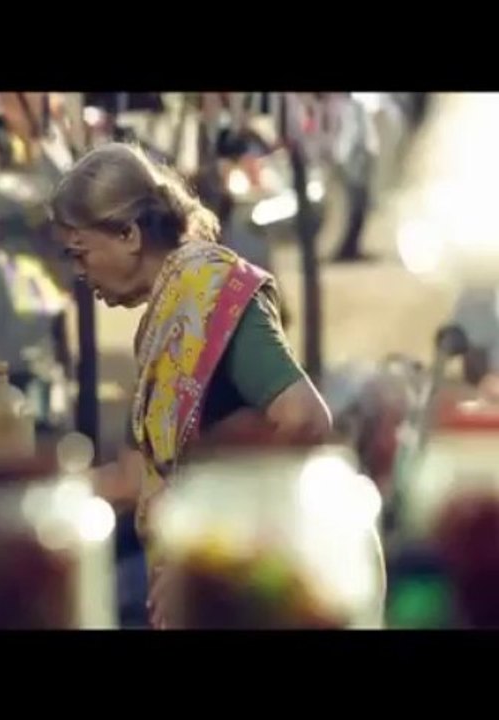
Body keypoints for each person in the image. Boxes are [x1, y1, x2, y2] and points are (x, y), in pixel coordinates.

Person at [49, 143, 332, 628]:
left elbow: (305, 419)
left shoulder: (212, 293)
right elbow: (135, 477)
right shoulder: (163, 321)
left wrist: (210, 550)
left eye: (81, 252)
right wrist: (23, 504)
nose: (78, 271)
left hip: (261, 588)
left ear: (129, 234)